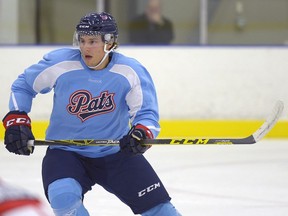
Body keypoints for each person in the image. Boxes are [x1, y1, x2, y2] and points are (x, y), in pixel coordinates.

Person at [2, 12, 181, 216]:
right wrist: (17, 119)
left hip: (115, 153)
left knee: (161, 210)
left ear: (110, 43)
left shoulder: (130, 71)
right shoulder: (61, 63)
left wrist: (142, 133)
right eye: (82, 40)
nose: (85, 47)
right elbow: (23, 85)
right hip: (65, 152)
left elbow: (146, 113)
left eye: (93, 41)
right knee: (64, 199)